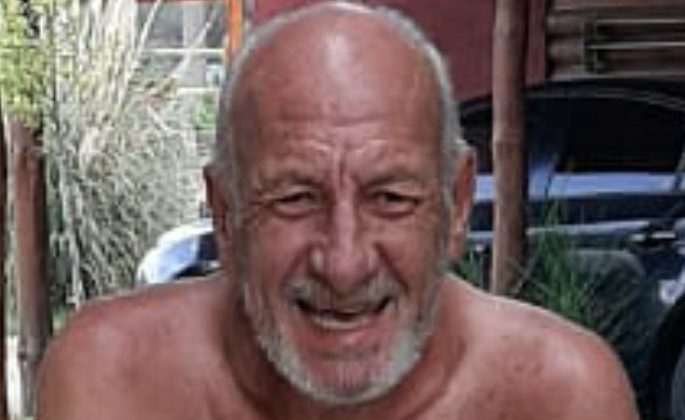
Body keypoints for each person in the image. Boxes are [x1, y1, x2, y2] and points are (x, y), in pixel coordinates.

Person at [36, 2, 640, 419]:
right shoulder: (116, 378)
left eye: (391, 199)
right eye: (295, 198)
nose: (345, 265)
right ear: (225, 214)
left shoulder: (559, 393)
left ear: (456, 206)